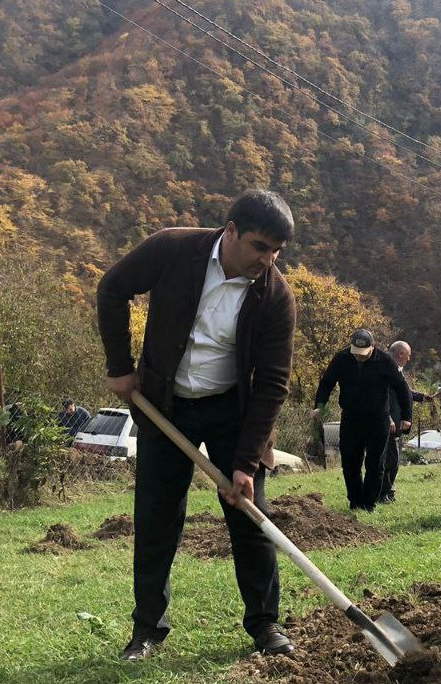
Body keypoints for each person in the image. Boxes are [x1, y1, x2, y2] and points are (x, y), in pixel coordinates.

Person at [96, 189, 297, 660]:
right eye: (259, 247)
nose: (267, 260)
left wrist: (246, 462)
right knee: (156, 518)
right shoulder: (172, 249)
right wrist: (120, 367)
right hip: (164, 406)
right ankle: (147, 629)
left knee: (251, 517)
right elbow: (112, 288)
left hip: (233, 412)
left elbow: (273, 384)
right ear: (231, 231)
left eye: (276, 251)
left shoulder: (275, 297)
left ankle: (265, 624)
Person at [314, 329, 412, 512]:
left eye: (363, 354)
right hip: (351, 418)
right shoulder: (342, 358)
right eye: (356, 353)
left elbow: (401, 388)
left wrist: (406, 416)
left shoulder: (385, 361)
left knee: (375, 464)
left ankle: (369, 503)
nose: (359, 357)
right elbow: (327, 382)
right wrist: (320, 405)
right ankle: (355, 501)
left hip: (378, 420)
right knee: (350, 463)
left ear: (372, 347)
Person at [380, 341, 430, 503]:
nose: (409, 359)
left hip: (395, 423)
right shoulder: (385, 370)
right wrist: (387, 417)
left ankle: (388, 491)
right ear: (400, 354)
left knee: (392, 459)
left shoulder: (396, 370)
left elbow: (404, 391)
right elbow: (380, 397)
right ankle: (382, 493)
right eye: (408, 355)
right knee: (389, 459)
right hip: (387, 422)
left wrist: (422, 397)